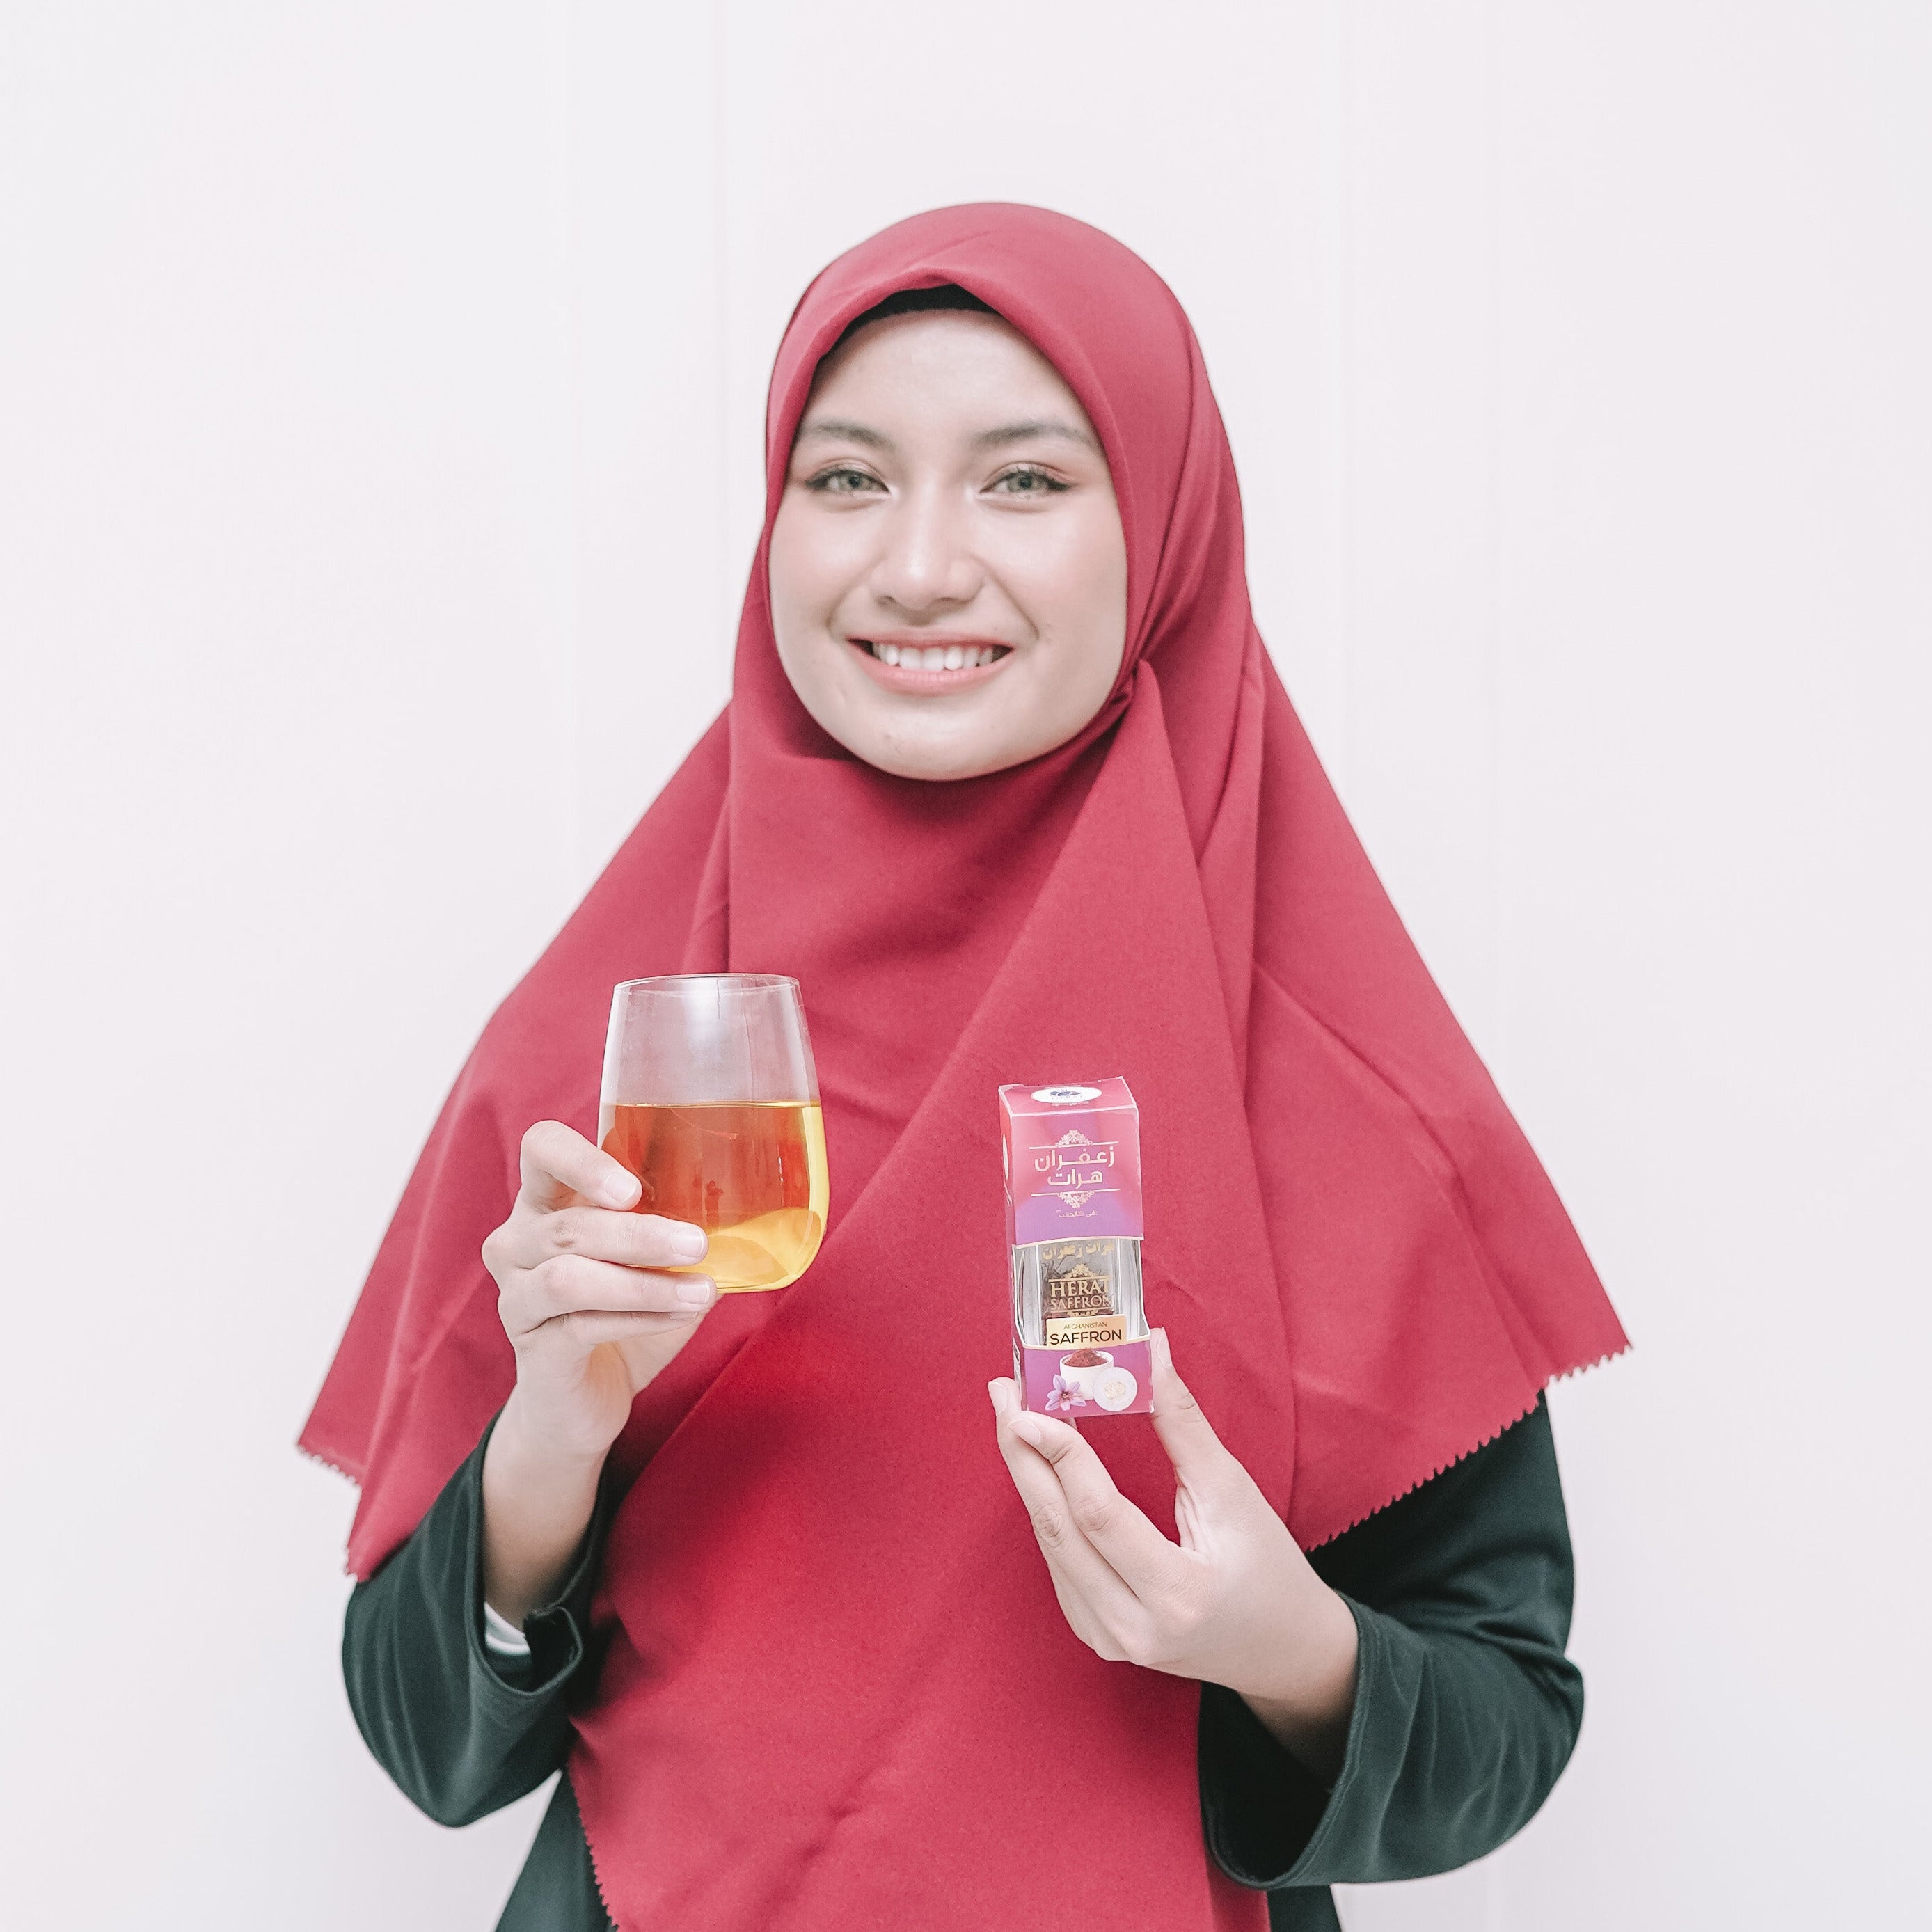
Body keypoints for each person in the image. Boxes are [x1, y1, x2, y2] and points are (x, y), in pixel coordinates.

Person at [303, 205, 1626, 1932]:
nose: (915, 564)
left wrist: (1277, 1646)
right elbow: (430, 1743)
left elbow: (1504, 1718)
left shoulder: (1335, 1077)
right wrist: (548, 1444)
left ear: (1160, 532)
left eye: (1021, 480)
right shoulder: (606, 1059)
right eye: (845, 479)